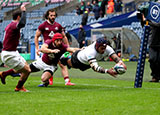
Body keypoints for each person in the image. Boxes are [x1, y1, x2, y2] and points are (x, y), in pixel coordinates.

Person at [34, 8, 75, 86]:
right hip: (48, 49)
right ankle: (49, 80)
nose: (53, 17)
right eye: (51, 15)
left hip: (59, 48)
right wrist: (37, 48)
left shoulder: (58, 26)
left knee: (62, 63)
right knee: (49, 64)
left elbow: (64, 36)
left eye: (54, 15)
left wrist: (68, 47)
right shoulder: (43, 25)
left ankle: (67, 81)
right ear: (47, 16)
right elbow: (36, 36)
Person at [0, 5, 31, 92]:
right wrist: (24, 11)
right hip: (9, 54)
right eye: (21, 17)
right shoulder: (14, 25)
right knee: (27, 71)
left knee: (25, 67)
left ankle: (4, 74)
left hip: (12, 52)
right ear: (18, 17)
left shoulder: (10, 25)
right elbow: (22, 23)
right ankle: (19, 87)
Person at [60, 37, 127, 77]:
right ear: (97, 47)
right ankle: (66, 55)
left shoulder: (107, 48)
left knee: (83, 69)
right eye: (102, 48)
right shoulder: (91, 52)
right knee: (66, 62)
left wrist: (121, 62)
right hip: (78, 59)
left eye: (105, 48)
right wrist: (108, 71)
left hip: (88, 63)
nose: (104, 50)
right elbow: (95, 68)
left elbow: (115, 57)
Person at [141, 13, 160, 82]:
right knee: (152, 59)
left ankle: (156, 76)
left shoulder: (153, 20)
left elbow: (158, 25)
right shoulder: (151, 18)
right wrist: (143, 20)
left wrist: (147, 21)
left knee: (158, 61)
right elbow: (144, 26)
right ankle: (155, 76)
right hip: (152, 43)